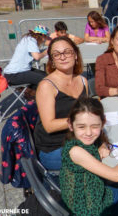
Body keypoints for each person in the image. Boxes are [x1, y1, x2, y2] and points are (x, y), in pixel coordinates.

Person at [60, 97, 118, 215]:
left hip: (93, 192)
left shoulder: (79, 141)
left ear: (102, 123)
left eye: (94, 126)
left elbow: (99, 140)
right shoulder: (76, 151)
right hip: (90, 209)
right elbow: (116, 175)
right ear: (70, 125)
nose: (88, 132)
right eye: (81, 127)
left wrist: (103, 146)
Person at [34, 36, 88, 170]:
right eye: (57, 54)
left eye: (67, 52)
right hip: (54, 148)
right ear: (52, 61)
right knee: (100, 158)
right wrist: (81, 120)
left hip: (78, 139)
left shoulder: (82, 80)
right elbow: (49, 126)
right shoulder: (47, 85)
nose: (63, 57)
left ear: (75, 55)